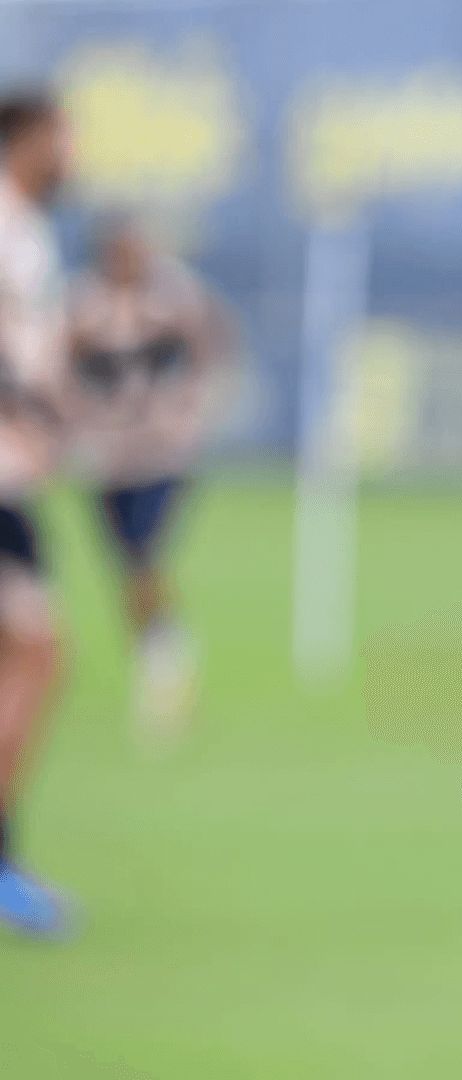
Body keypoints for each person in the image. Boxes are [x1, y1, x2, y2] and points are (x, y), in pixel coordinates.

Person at [67, 214, 232, 743]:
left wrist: (194, 406)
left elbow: (214, 342)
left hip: (164, 454)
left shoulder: (176, 294)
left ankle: (164, 669)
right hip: (109, 456)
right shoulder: (83, 304)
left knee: (144, 556)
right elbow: (61, 365)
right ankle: (160, 654)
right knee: (127, 565)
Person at [0, 89, 73, 939]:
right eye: (60, 137)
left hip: (17, 476)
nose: (70, 153)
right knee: (39, 653)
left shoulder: (31, 231)